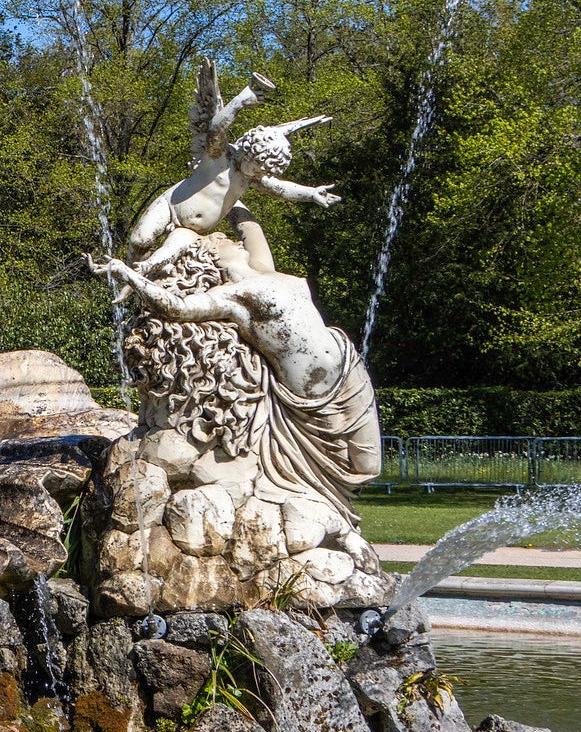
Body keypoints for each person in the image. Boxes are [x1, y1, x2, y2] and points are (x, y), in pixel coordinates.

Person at [88, 205, 382, 519]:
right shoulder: (234, 297)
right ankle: (321, 516)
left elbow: (247, 225)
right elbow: (175, 307)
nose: (235, 242)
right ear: (212, 257)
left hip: (349, 363)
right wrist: (128, 274)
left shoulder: (262, 268)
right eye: (223, 241)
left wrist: (230, 179)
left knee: (372, 466)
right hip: (310, 396)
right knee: (358, 467)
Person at [123, 58, 339, 280]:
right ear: (248, 152)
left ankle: (140, 285)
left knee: (163, 258)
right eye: (257, 167)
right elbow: (215, 128)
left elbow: (280, 189)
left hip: (191, 230)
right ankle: (128, 288)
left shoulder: (250, 176)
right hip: (171, 205)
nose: (258, 174)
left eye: (261, 171)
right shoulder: (220, 156)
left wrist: (311, 193)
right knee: (140, 241)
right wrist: (242, 101)